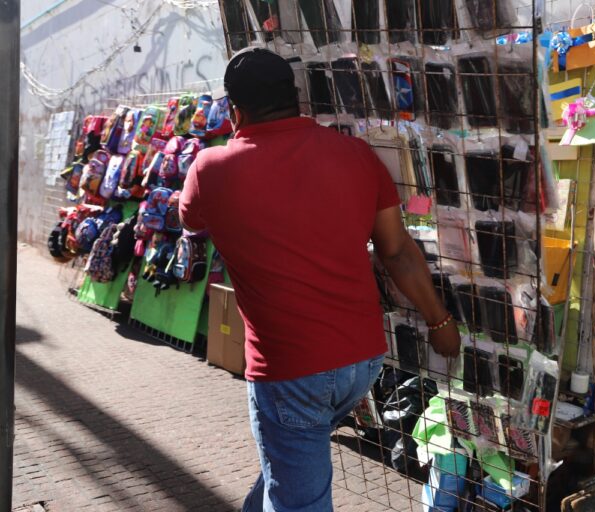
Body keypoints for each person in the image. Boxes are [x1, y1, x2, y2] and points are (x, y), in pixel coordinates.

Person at [179, 48, 460, 512]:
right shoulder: (355, 154)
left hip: (290, 369)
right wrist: (439, 321)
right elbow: (397, 252)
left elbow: (189, 221)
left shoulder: (210, 169)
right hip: (362, 360)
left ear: (234, 109)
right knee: (289, 465)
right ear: (297, 98)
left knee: (297, 485)